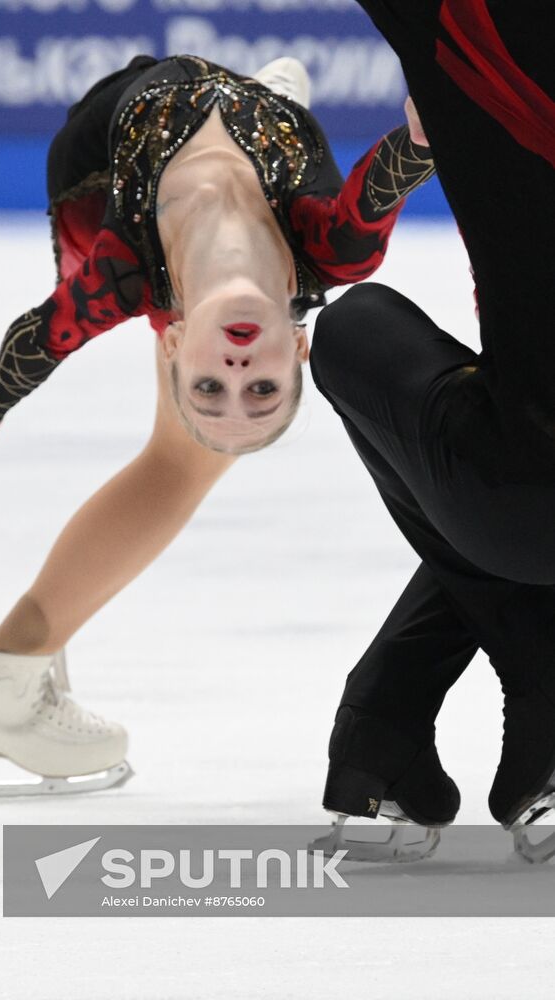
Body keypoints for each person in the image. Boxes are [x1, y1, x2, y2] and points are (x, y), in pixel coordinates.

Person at [0, 54, 435, 796]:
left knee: (185, 455)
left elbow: (41, 337)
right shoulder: (333, 248)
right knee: (190, 453)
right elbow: (394, 172)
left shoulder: (123, 270)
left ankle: (3, 679)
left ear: (172, 341)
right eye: (260, 387)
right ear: (299, 344)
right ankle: (6, 675)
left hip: (102, 161)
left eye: (212, 383)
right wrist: (426, 134)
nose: (236, 368)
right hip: (255, 144)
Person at [309, 1, 555, 860]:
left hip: (521, 502)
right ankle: (389, 721)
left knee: (352, 329)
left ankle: (530, 690)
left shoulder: (467, 21)